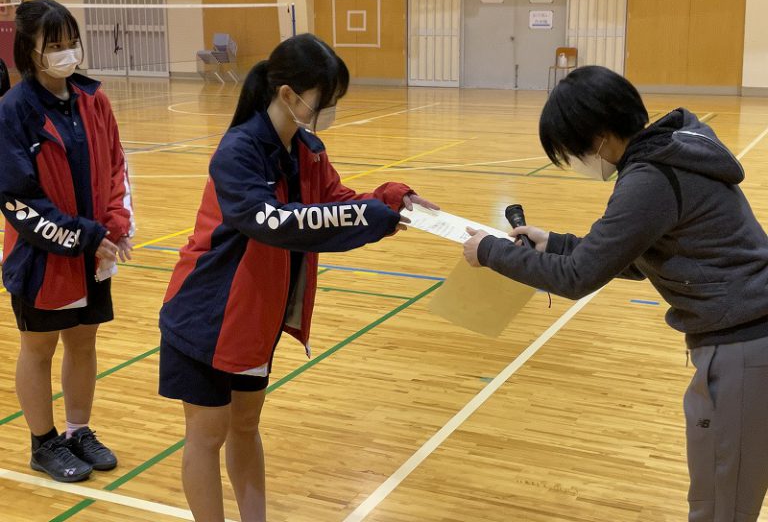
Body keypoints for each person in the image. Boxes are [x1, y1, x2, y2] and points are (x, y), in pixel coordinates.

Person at [463, 65, 768, 522]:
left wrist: (489, 251)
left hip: (743, 347)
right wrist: (555, 241)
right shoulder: (674, 148)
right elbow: (629, 256)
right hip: (747, 338)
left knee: (720, 506)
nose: (579, 158)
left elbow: (577, 278)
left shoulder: (650, 177)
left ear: (601, 137)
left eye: (575, 148)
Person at [158, 32, 436, 522]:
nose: (329, 109)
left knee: (245, 427)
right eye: (324, 101)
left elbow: (334, 201)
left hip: (254, 320)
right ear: (288, 95)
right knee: (207, 435)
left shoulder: (306, 148)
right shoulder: (238, 152)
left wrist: (391, 199)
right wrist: (369, 217)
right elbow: (276, 223)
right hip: (205, 314)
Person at [0, 0, 135, 483]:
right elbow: (19, 200)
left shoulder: (93, 99)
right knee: (39, 348)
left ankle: (79, 431)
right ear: (28, 50)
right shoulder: (14, 112)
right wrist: (86, 236)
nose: (65, 53)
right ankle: (43, 442)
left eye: (69, 43)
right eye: (53, 45)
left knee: (84, 341)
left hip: (93, 254)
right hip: (43, 259)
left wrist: (115, 221)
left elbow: (117, 164)